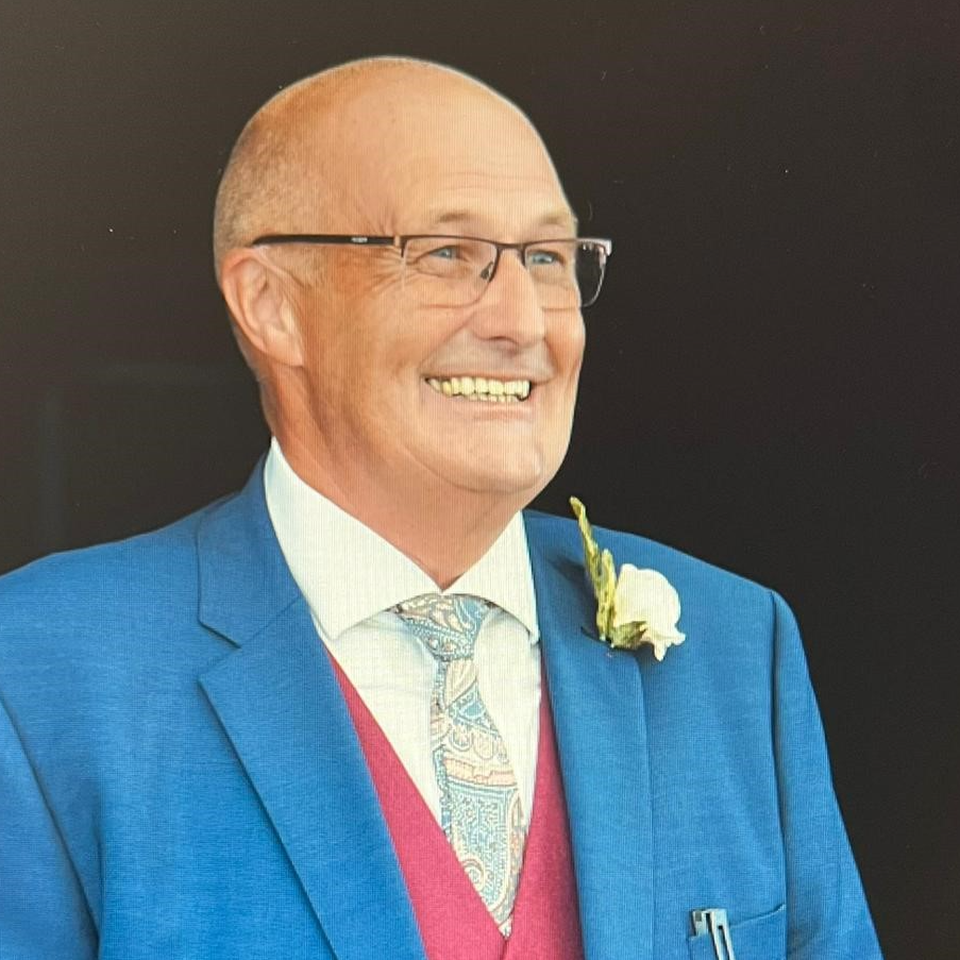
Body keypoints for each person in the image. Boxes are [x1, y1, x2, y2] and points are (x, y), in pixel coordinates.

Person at [0, 57, 882, 960]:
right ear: (271, 305)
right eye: (448, 254)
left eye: (546, 259)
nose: (523, 323)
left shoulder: (738, 652)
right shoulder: (38, 675)